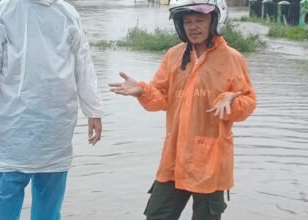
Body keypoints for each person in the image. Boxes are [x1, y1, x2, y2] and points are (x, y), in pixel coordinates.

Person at [109, 0, 256, 219]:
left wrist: (230, 102)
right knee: (157, 215)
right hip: (174, 158)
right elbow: (162, 98)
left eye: (200, 20)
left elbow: (248, 102)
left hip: (211, 162)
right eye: (187, 21)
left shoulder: (232, 59)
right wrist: (142, 90)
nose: (193, 26)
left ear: (215, 20)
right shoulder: (174, 55)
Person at [0, 0, 104, 219]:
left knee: (49, 203)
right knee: (5, 193)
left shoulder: (67, 13)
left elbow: (83, 64)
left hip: (55, 123)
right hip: (12, 121)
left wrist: (93, 109)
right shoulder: (4, 11)